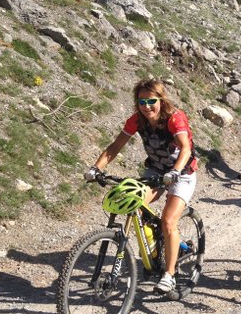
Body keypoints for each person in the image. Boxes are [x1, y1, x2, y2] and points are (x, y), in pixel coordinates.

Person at [84, 79, 198, 294]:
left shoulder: (175, 118)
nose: (146, 106)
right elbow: (115, 147)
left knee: (168, 220)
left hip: (182, 173)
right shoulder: (137, 120)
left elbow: (184, 148)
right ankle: (157, 248)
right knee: (133, 203)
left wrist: (174, 172)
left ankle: (169, 275)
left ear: (161, 100)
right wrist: (95, 168)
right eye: (141, 101)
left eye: (151, 101)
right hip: (155, 171)